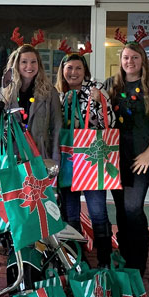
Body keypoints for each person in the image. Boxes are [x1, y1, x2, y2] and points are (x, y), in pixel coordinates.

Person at [106, 42, 149, 275]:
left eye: (135, 58)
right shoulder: (111, 85)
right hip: (115, 158)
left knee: (134, 208)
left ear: (143, 60)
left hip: (141, 158)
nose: (130, 62)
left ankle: (139, 260)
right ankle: (126, 258)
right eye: (126, 57)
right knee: (122, 212)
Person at [55, 53, 114, 266]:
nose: (73, 72)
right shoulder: (56, 94)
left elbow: (111, 121)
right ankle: (76, 259)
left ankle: (105, 259)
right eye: (69, 68)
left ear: (85, 71)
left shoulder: (97, 91)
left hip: (91, 159)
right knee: (70, 214)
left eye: (78, 68)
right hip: (66, 159)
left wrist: (98, 104)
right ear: (62, 70)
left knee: (98, 212)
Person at [0, 44, 61, 164]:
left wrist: (55, 159)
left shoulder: (49, 92)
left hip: (40, 155)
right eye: (24, 62)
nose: (29, 66)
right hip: (13, 156)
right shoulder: (5, 91)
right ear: (16, 65)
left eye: (33, 62)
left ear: (39, 65)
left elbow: (57, 127)